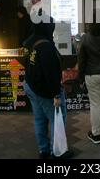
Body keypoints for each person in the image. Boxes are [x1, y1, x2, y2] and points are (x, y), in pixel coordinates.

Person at [23, 19, 73, 159]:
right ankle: (58, 151)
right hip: (45, 90)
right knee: (57, 119)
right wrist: (56, 95)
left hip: (31, 86)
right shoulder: (46, 46)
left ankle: (43, 150)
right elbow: (50, 74)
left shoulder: (30, 41)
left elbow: (25, 62)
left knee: (39, 119)